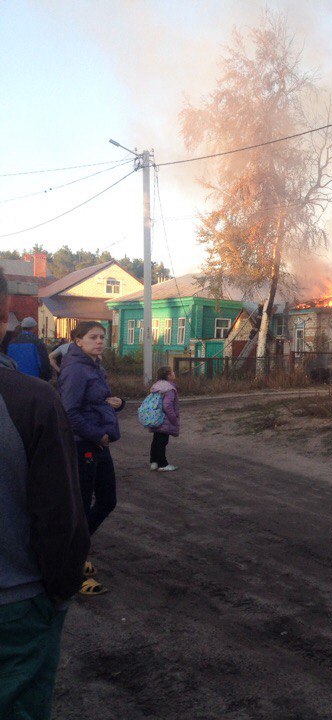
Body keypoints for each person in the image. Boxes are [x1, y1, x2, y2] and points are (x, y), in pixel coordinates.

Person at [0, 269, 90, 719]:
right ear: (6, 316)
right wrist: (59, 593)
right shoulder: (32, 401)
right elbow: (61, 517)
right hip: (15, 609)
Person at [58, 321, 124, 596]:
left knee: (108, 499)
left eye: (102, 337)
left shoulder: (94, 366)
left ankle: (76, 552)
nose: (99, 341)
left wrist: (117, 403)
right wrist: (98, 435)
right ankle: (71, 570)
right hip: (83, 445)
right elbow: (68, 413)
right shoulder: (75, 370)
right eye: (93, 337)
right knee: (82, 508)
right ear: (77, 341)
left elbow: (97, 402)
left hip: (97, 444)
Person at [148, 366, 180, 472]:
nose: (174, 373)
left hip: (155, 416)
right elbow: (167, 405)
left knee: (156, 440)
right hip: (165, 419)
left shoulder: (157, 386)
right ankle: (163, 464)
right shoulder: (169, 388)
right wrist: (174, 418)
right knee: (162, 441)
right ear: (168, 375)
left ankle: (154, 462)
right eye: (172, 372)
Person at [7, 317, 53, 381]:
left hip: (14, 380)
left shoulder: (11, 343)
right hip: (33, 380)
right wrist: (47, 377)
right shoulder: (37, 342)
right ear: (34, 327)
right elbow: (44, 364)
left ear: (22, 327)